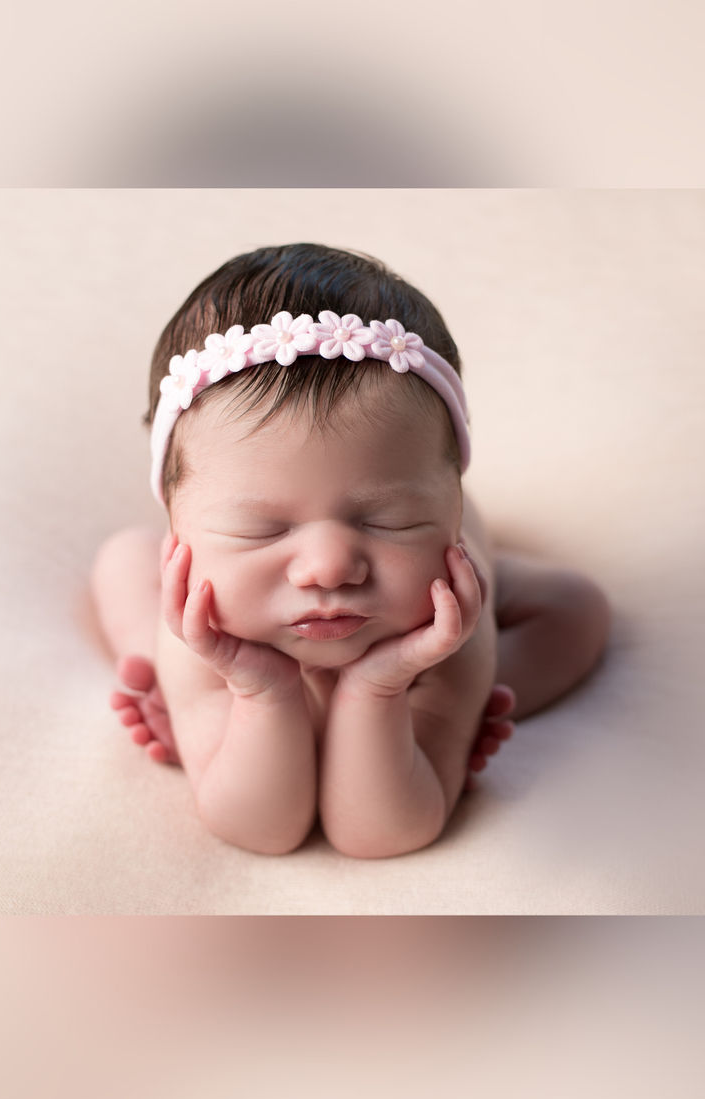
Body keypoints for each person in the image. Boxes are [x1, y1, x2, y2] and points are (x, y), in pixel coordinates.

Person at [91, 243, 610, 858]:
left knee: (577, 609)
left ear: (451, 506)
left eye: (390, 520)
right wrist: (260, 688)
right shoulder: (204, 623)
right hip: (222, 617)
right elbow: (262, 830)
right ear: (179, 524)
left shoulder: (447, 632)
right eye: (262, 530)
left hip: (428, 630)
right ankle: (171, 694)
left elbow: (380, 833)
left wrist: (382, 687)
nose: (330, 567)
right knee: (124, 559)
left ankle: (455, 718)